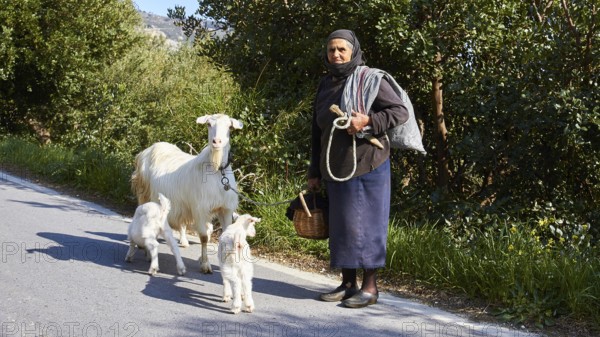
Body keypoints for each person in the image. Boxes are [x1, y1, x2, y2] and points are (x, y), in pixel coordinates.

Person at [307, 29, 409, 308]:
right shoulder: (326, 83)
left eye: (342, 49)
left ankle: (370, 287)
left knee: (368, 225)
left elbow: (400, 111)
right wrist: (314, 171)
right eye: (331, 50)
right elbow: (317, 130)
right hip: (335, 166)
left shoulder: (370, 78)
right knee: (343, 226)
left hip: (368, 164)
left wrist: (367, 122)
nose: (336, 54)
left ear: (353, 51)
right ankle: (348, 283)